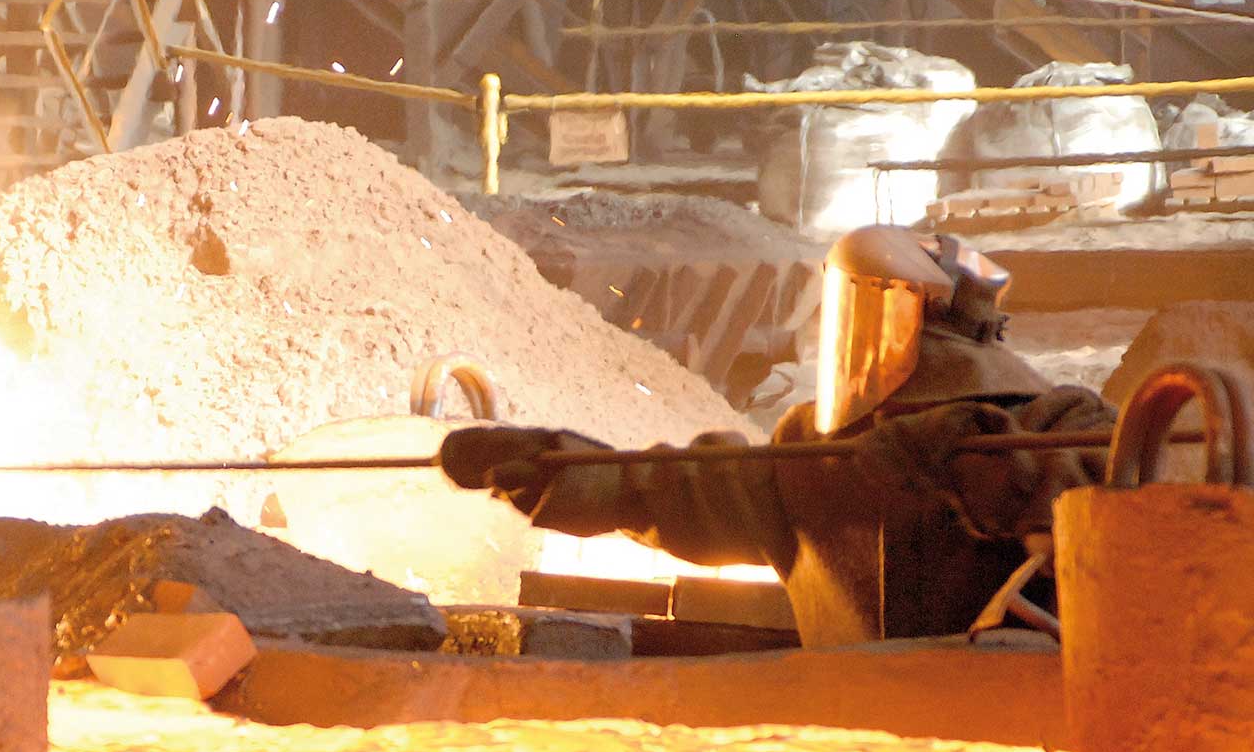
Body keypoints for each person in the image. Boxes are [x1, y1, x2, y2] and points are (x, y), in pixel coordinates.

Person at [440, 225, 1116, 647]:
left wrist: (970, 457)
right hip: (860, 743)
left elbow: (1125, 500)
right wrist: (555, 469)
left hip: (1026, 729)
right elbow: (674, 490)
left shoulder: (1057, 423)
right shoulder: (813, 455)